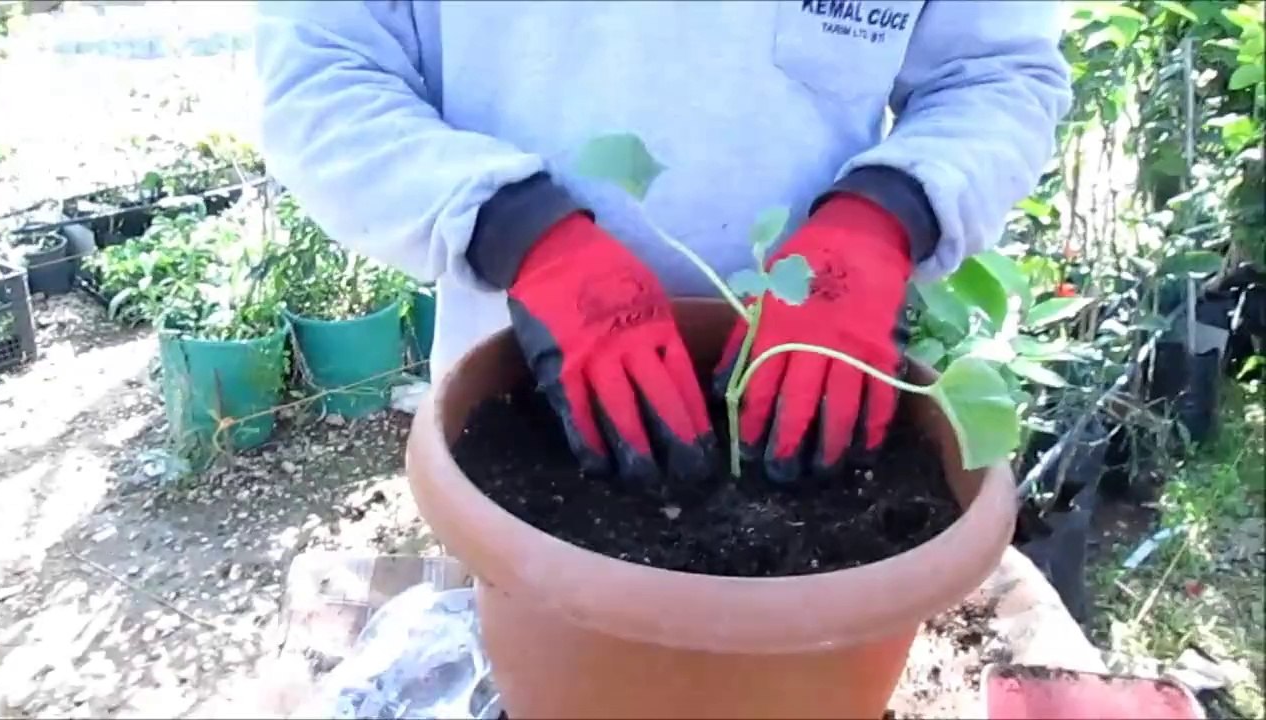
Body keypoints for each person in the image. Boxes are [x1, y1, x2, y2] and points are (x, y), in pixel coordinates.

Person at [253, 1, 1071, 495]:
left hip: (809, 382)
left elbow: (995, 73)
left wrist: (883, 217)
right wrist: (518, 230)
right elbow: (325, 73)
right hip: (524, 384)